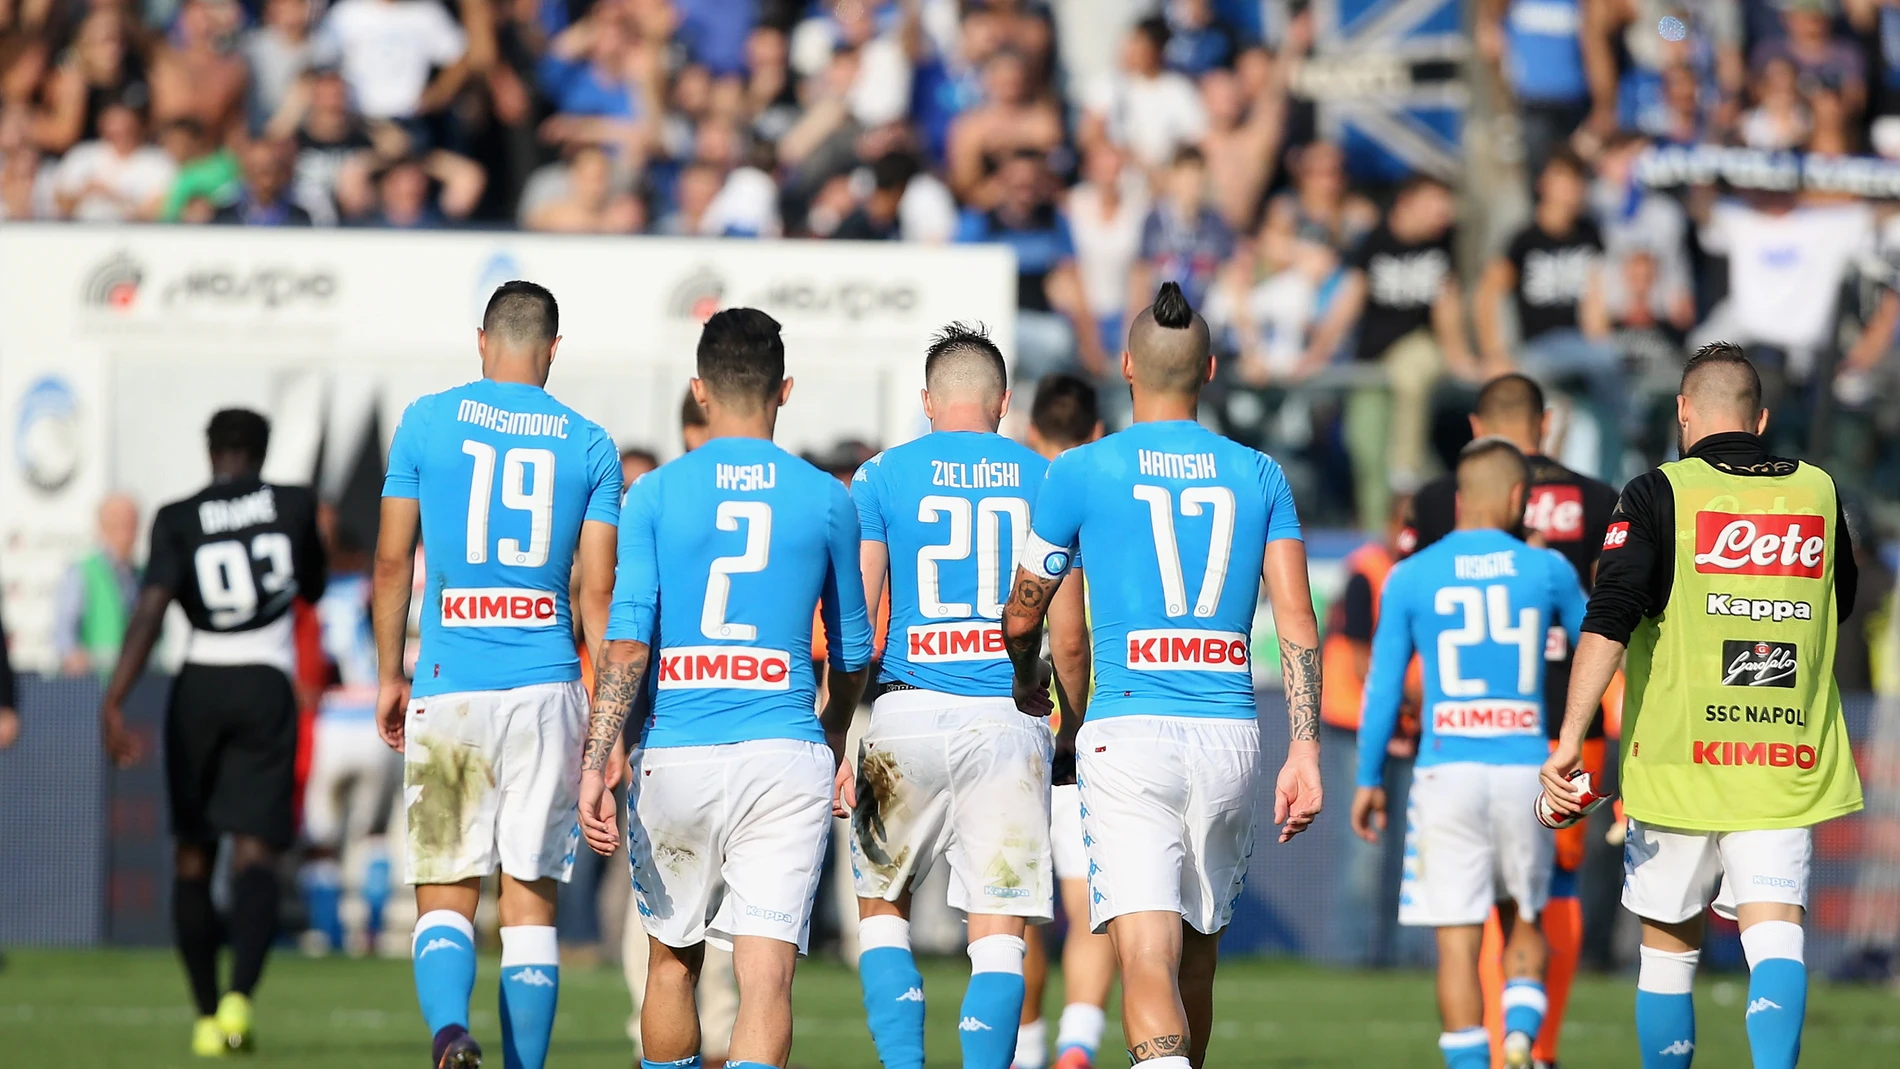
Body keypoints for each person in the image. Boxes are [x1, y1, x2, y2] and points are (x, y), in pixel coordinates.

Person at [1000, 282, 1324, 1069]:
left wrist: (1025, 676)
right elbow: (1297, 624)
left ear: (1126, 367)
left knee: (1145, 951)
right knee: (1197, 957)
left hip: (1128, 731)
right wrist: (1306, 749)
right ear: (1211, 369)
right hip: (1230, 731)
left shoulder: (1078, 468)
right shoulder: (1261, 474)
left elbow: (1022, 611)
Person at [1542, 343, 1866, 1069]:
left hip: (1679, 760)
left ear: (1683, 412)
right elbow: (1838, 602)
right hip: (1784, 754)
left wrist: (1570, 736)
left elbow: (1611, 614)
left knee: (1668, 946)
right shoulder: (1818, 490)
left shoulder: (1657, 490)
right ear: (1761, 419)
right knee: (1776, 931)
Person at [579, 308, 873, 1069]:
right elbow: (851, 649)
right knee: (766, 976)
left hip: (678, 749)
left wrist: (597, 755)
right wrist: (835, 728)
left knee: (672, 962)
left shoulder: (654, 493)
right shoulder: (826, 497)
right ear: (786, 390)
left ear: (699, 391)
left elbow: (628, 640)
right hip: (784, 750)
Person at [371, 281, 622, 1069]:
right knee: (530, 900)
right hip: (548, 683)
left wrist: (388, 672)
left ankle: (450, 1032)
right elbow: (597, 592)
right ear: (552, 349)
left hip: (449, 681)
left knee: (446, 886)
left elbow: (388, 561)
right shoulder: (589, 443)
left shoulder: (425, 421)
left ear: (482, 340)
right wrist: (608, 728)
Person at [842, 325, 1087, 1069]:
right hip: (1009, 719)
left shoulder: (880, 475)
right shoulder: (1045, 475)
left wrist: (835, 734)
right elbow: (1069, 636)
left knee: (882, 912)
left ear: (926, 401)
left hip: (906, 710)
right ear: (1004, 402)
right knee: (1000, 931)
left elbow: (857, 621)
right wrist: (1069, 729)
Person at [97, 409, 328, 1057]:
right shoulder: (293, 502)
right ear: (261, 450)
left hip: (199, 682)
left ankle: (203, 1013)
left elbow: (149, 609)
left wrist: (114, 696)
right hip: (266, 681)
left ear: (210, 451)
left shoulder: (176, 516)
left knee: (193, 852)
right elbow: (310, 582)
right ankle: (239, 999)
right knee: (256, 852)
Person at [1406, 374, 1619, 1069]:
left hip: (1467, 729)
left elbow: (1411, 621)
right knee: (1548, 886)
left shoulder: (1442, 502)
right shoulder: (1597, 500)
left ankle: (1495, 1047)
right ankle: (1538, 1044)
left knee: (1476, 898)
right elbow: (1613, 628)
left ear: (1475, 425)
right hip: (1570, 728)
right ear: (1547, 423)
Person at [1352, 438, 1587, 1069]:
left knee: (1457, 947)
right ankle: (1519, 1036)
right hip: (1523, 768)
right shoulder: (1547, 570)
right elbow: (1599, 649)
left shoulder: (1411, 574)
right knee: (1526, 920)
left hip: (1445, 770)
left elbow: (1380, 688)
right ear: (1518, 498)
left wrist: (1369, 775)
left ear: (1460, 499)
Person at [1015, 372, 1115, 1069]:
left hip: (1013, 725)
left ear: (1029, 431)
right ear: (1098, 434)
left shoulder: (1020, 497)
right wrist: (1074, 726)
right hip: (1085, 733)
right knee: (1090, 908)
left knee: (1013, 913)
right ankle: (1077, 1045)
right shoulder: (1106, 499)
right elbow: (1073, 635)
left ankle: (1021, 1050)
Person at [1299, 175, 1479, 531]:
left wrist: (1460, 358)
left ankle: (1406, 474)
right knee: (1365, 448)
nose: (1443, 214)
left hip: (1422, 346)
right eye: (1435, 204)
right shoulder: (1375, 242)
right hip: (1372, 363)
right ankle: (1376, 532)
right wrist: (1316, 353)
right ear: (1406, 202)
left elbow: (1448, 306)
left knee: (1412, 370)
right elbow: (1350, 298)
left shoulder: (1442, 246)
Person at [1316, 498, 1418, 969]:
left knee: (1408, 848)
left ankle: (1401, 954)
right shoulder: (1368, 572)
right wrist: (1413, 701)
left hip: (1406, 723)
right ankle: (1358, 956)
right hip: (1358, 724)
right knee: (1366, 849)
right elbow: (1359, 662)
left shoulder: (1417, 571)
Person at [1473, 151, 1619, 480]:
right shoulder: (1524, 240)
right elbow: (1487, 295)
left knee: (1598, 402)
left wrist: (1601, 341)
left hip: (1582, 349)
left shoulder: (1589, 234)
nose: (1572, 189)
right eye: (1564, 180)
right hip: (1539, 349)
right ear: (1545, 185)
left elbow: (1595, 300)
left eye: (1577, 181)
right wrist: (1494, 353)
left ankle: (1608, 477)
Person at [300, 520, 398, 956]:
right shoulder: (370, 590)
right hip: (374, 716)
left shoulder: (309, 596)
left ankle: (330, 933)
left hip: (331, 719)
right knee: (374, 833)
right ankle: (372, 928)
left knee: (321, 841)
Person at [52, 493, 141, 676]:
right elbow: (64, 629)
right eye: (118, 524)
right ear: (102, 527)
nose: (127, 533)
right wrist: (73, 657)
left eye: (132, 524)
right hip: (95, 684)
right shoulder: (82, 571)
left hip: (136, 682)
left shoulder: (141, 575)